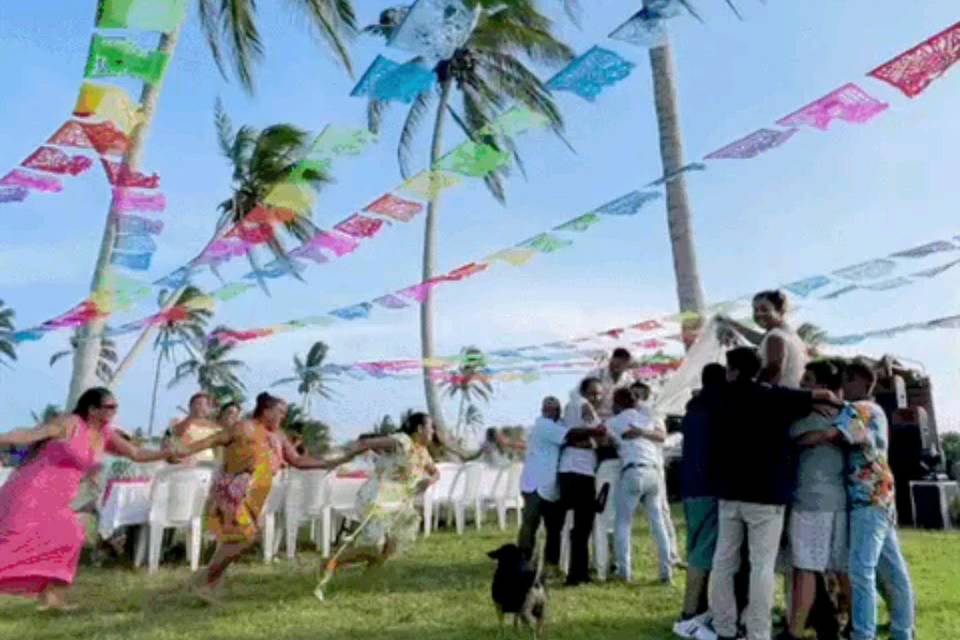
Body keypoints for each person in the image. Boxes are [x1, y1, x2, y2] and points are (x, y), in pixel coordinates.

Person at [708, 347, 842, 640]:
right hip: (767, 496)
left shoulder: (719, 396)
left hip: (729, 493)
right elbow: (823, 397)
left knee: (723, 562)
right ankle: (758, 632)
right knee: (762, 566)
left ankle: (724, 628)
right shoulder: (775, 396)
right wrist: (831, 402)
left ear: (732, 370)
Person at [0, 387, 173, 610]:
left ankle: (52, 598)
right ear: (92, 409)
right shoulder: (70, 423)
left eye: (115, 407)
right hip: (33, 490)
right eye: (109, 407)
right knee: (14, 542)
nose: (114, 411)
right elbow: (29, 435)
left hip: (59, 497)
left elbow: (137, 454)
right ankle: (50, 597)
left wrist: (165, 454)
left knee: (70, 535)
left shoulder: (106, 434)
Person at [179, 392, 353, 603]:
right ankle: (205, 579)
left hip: (256, 493)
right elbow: (214, 439)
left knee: (235, 539)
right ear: (266, 410)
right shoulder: (244, 427)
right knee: (246, 536)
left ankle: (207, 583)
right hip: (234, 488)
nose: (283, 417)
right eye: (280, 412)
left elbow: (297, 460)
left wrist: (329, 462)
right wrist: (182, 450)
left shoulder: (278, 435)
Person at [801, 361, 914, 640]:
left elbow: (833, 433)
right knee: (894, 570)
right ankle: (902, 631)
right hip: (882, 496)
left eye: (847, 380)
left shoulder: (861, 409)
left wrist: (802, 438)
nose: (842, 387)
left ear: (862, 382)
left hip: (867, 499)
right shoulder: (875, 410)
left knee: (861, 570)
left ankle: (863, 633)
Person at [318, 412, 439, 593]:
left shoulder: (422, 451)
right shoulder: (401, 442)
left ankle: (367, 583)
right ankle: (330, 562)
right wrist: (340, 460)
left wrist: (430, 480)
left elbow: (435, 471)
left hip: (400, 502)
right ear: (420, 429)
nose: (433, 432)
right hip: (377, 498)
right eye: (431, 427)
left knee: (390, 547)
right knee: (374, 547)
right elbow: (366, 444)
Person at [780, 361, 850, 640]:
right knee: (841, 568)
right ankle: (856, 625)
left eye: (808, 380)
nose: (802, 385)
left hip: (810, 501)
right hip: (839, 500)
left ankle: (794, 632)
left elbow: (790, 440)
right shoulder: (847, 415)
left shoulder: (805, 417)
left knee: (806, 567)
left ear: (822, 387)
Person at [517, 396, 600, 575]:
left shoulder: (559, 425)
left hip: (552, 486)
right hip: (535, 484)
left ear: (558, 411)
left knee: (554, 528)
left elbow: (572, 437)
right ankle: (523, 562)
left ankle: (551, 564)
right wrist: (595, 431)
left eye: (554, 408)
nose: (550, 411)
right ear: (542, 410)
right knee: (530, 524)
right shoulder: (543, 426)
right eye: (547, 408)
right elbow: (571, 436)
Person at [673, 363, 726, 639]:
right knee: (703, 554)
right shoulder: (717, 410)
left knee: (696, 545)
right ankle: (690, 611)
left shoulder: (692, 409)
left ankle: (694, 607)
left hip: (690, 487)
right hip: (710, 487)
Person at [606, 387, 671, 583]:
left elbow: (605, 438)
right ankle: (665, 572)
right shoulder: (646, 419)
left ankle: (624, 572)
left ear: (616, 405)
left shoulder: (613, 422)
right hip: (653, 471)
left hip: (632, 471)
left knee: (623, 522)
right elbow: (661, 436)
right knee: (658, 523)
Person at [559, 377, 608, 586]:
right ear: (583, 392)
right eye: (592, 393)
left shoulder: (583, 408)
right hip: (575, 470)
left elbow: (601, 438)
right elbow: (571, 434)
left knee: (583, 525)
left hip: (583, 469)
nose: (596, 398)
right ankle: (575, 574)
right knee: (580, 526)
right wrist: (594, 433)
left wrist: (594, 436)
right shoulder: (579, 405)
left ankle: (580, 571)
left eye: (599, 394)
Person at [633, 380, 683, 570]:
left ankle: (672, 555)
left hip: (654, 464)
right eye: (633, 394)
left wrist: (640, 433)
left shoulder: (652, 413)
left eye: (639, 394)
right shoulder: (626, 413)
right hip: (634, 466)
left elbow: (661, 437)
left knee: (661, 512)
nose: (635, 398)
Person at [720, 290, 808, 388]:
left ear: (780, 312)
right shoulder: (791, 335)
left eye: (764, 310)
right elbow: (757, 338)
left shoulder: (775, 337)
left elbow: (774, 371)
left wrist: (752, 390)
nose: (759, 314)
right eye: (755, 310)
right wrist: (732, 325)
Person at [170, 392, 222, 464]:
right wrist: (191, 417)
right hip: (182, 466)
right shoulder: (177, 421)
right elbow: (177, 433)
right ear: (190, 406)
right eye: (198, 404)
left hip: (206, 468)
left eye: (205, 405)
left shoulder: (215, 429)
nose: (201, 407)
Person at [588, 347, 637, 418]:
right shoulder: (596, 374)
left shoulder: (628, 380)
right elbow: (576, 393)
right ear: (611, 360)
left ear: (626, 365)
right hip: (594, 417)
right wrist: (584, 405)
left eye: (621, 364)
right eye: (615, 363)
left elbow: (635, 400)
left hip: (616, 418)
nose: (616, 367)